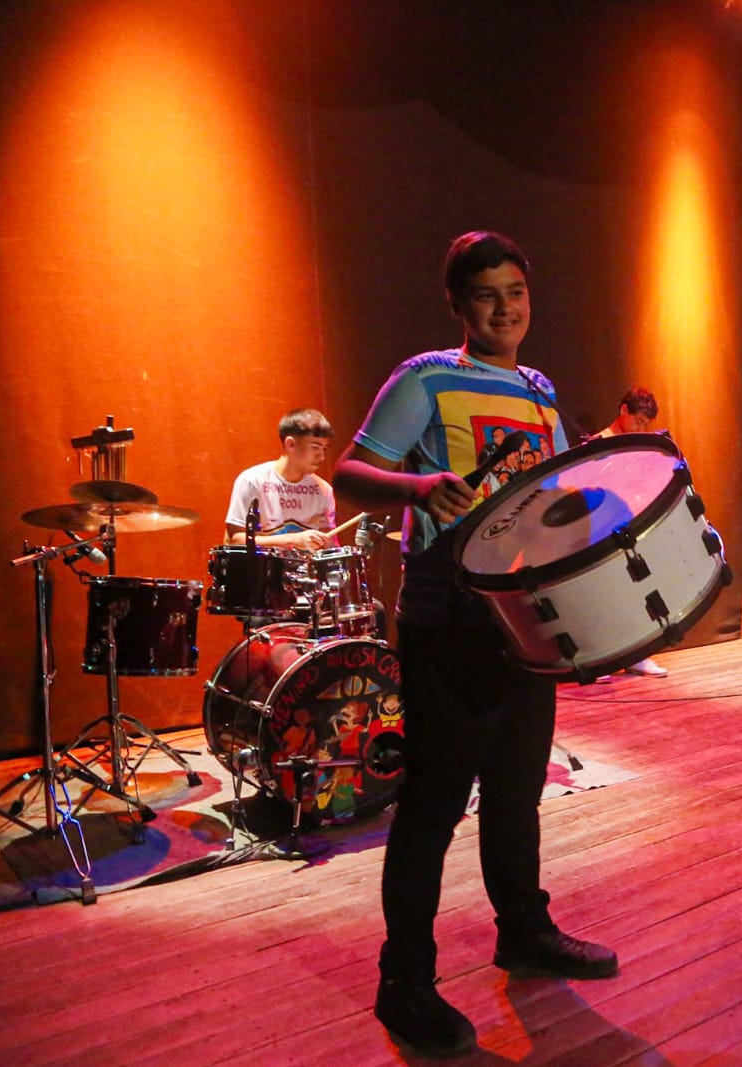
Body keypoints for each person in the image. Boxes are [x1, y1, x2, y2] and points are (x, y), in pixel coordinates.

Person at [334, 231, 616, 1058]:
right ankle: (404, 980)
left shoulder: (539, 389)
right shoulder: (424, 378)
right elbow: (349, 474)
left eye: (516, 292)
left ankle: (523, 930)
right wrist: (417, 485)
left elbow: (550, 502)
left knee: (518, 792)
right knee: (433, 804)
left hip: (522, 618)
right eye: (487, 294)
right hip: (448, 619)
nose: (505, 308)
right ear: (457, 304)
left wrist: (597, 501)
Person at [592, 386, 668, 679]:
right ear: (623, 411)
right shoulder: (598, 444)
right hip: (600, 529)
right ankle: (599, 660)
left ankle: (638, 655)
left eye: (645, 424)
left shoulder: (637, 447)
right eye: (638, 421)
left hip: (629, 526)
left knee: (637, 589)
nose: (641, 428)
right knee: (602, 595)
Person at [223, 408, 338, 551]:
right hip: (261, 565)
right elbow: (234, 540)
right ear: (290, 444)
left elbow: (329, 547)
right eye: (315, 447)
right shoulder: (252, 481)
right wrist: (292, 540)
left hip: (305, 565)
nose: (322, 456)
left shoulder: (323, 490)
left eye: (325, 449)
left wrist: (330, 546)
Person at [593, 386, 657, 438]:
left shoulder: (638, 446)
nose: (641, 430)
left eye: (645, 425)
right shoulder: (600, 444)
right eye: (638, 422)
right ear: (624, 410)